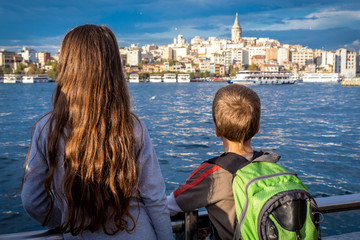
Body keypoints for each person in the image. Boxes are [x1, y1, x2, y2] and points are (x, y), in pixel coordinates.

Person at [21, 24, 172, 239]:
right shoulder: (132, 126)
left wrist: (65, 222)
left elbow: (32, 200)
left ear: (67, 66)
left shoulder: (46, 128)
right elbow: (154, 197)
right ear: (113, 68)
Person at [167, 84, 280, 240]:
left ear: (216, 129)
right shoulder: (272, 166)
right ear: (257, 128)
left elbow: (168, 207)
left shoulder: (212, 173)